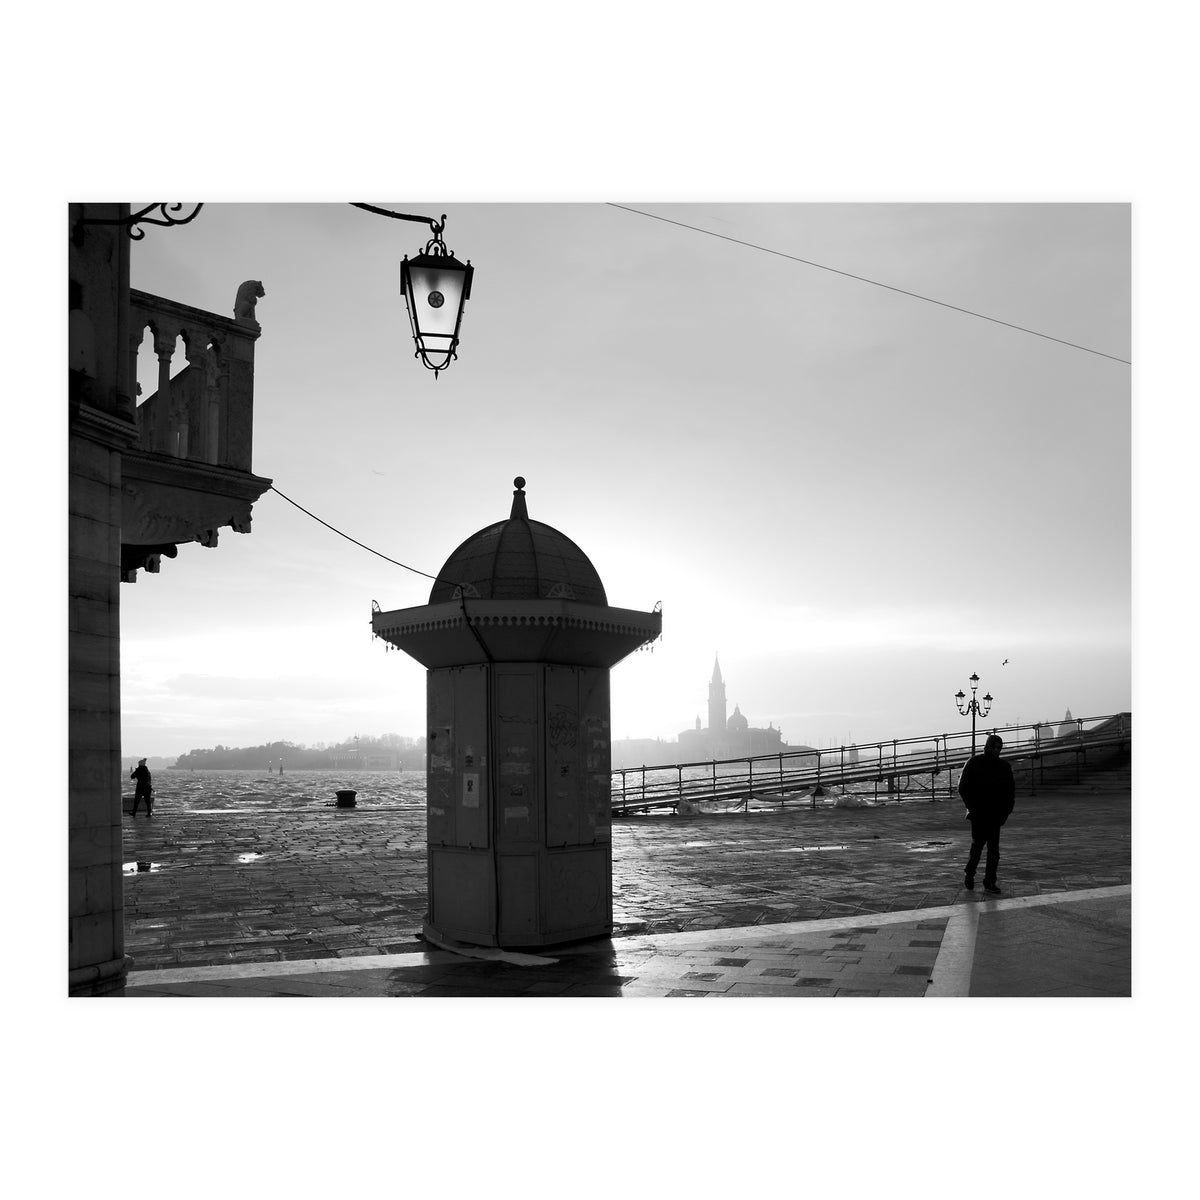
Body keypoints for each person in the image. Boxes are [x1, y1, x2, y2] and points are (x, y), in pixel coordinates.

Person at [957, 734, 1015, 894]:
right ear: (988, 746)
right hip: (978, 813)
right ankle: (970, 873)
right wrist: (972, 807)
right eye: (994, 747)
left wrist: (1006, 812)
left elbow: (1010, 792)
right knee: (977, 846)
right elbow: (963, 787)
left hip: (996, 814)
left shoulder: (1004, 766)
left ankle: (990, 881)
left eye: (999, 748)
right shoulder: (974, 762)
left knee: (993, 850)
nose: (997, 750)